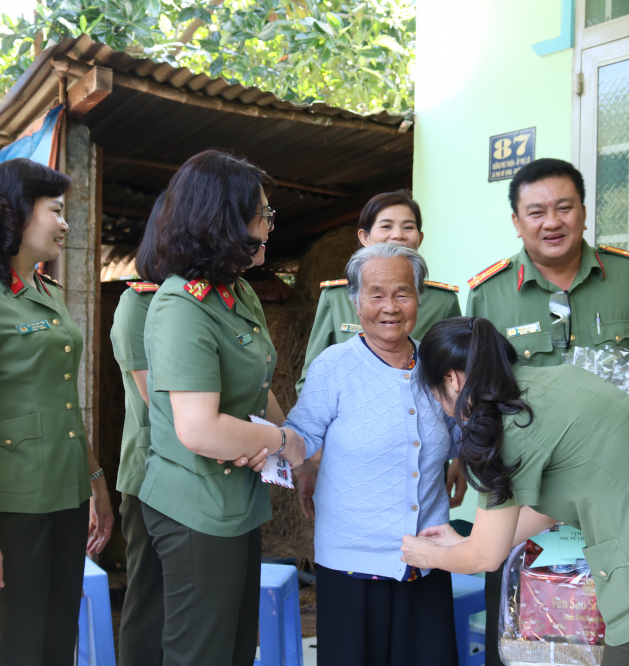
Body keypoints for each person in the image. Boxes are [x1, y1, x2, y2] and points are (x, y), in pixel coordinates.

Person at [402, 317, 629, 666]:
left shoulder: (504, 425)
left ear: (452, 380)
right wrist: (456, 544)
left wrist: (426, 554)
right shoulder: (562, 379)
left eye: (436, 397)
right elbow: (551, 506)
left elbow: (486, 556)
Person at [464, 158, 629, 654]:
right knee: (524, 627)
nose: (552, 222)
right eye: (537, 211)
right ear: (517, 221)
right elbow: (478, 396)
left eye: (564, 207)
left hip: (621, 486)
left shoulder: (627, 276)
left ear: (584, 212)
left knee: (621, 624)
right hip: (530, 489)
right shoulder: (489, 293)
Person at [0, 158, 114, 666]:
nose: (65, 223)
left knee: (58, 645)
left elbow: (63, 402)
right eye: (55, 210)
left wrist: (95, 479)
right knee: (16, 648)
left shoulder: (45, 292)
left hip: (67, 497)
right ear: (15, 213)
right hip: (10, 508)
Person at [140, 149, 307, 666]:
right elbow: (200, 428)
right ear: (224, 220)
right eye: (261, 215)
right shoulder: (180, 306)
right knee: (200, 653)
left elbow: (259, 390)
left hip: (234, 502)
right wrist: (281, 442)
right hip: (195, 507)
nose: (268, 227)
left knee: (235, 649)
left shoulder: (236, 293)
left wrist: (295, 445)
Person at [284, 243, 458, 666]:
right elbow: (300, 433)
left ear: (420, 298)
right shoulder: (335, 366)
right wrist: (289, 462)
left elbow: (465, 432)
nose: (390, 307)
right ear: (356, 301)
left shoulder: (440, 366)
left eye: (402, 293)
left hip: (426, 557)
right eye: (376, 294)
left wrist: (466, 461)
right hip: (351, 562)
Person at [300, 190, 467, 508]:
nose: (398, 235)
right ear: (364, 236)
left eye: (408, 227)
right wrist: (316, 446)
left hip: (422, 453)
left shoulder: (443, 300)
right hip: (353, 450)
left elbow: (456, 381)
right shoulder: (338, 297)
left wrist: (461, 456)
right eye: (387, 226)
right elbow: (311, 377)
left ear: (420, 236)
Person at [109, 192, 165, 666]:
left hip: (196, 473)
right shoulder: (136, 304)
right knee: (148, 598)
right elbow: (160, 404)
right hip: (149, 475)